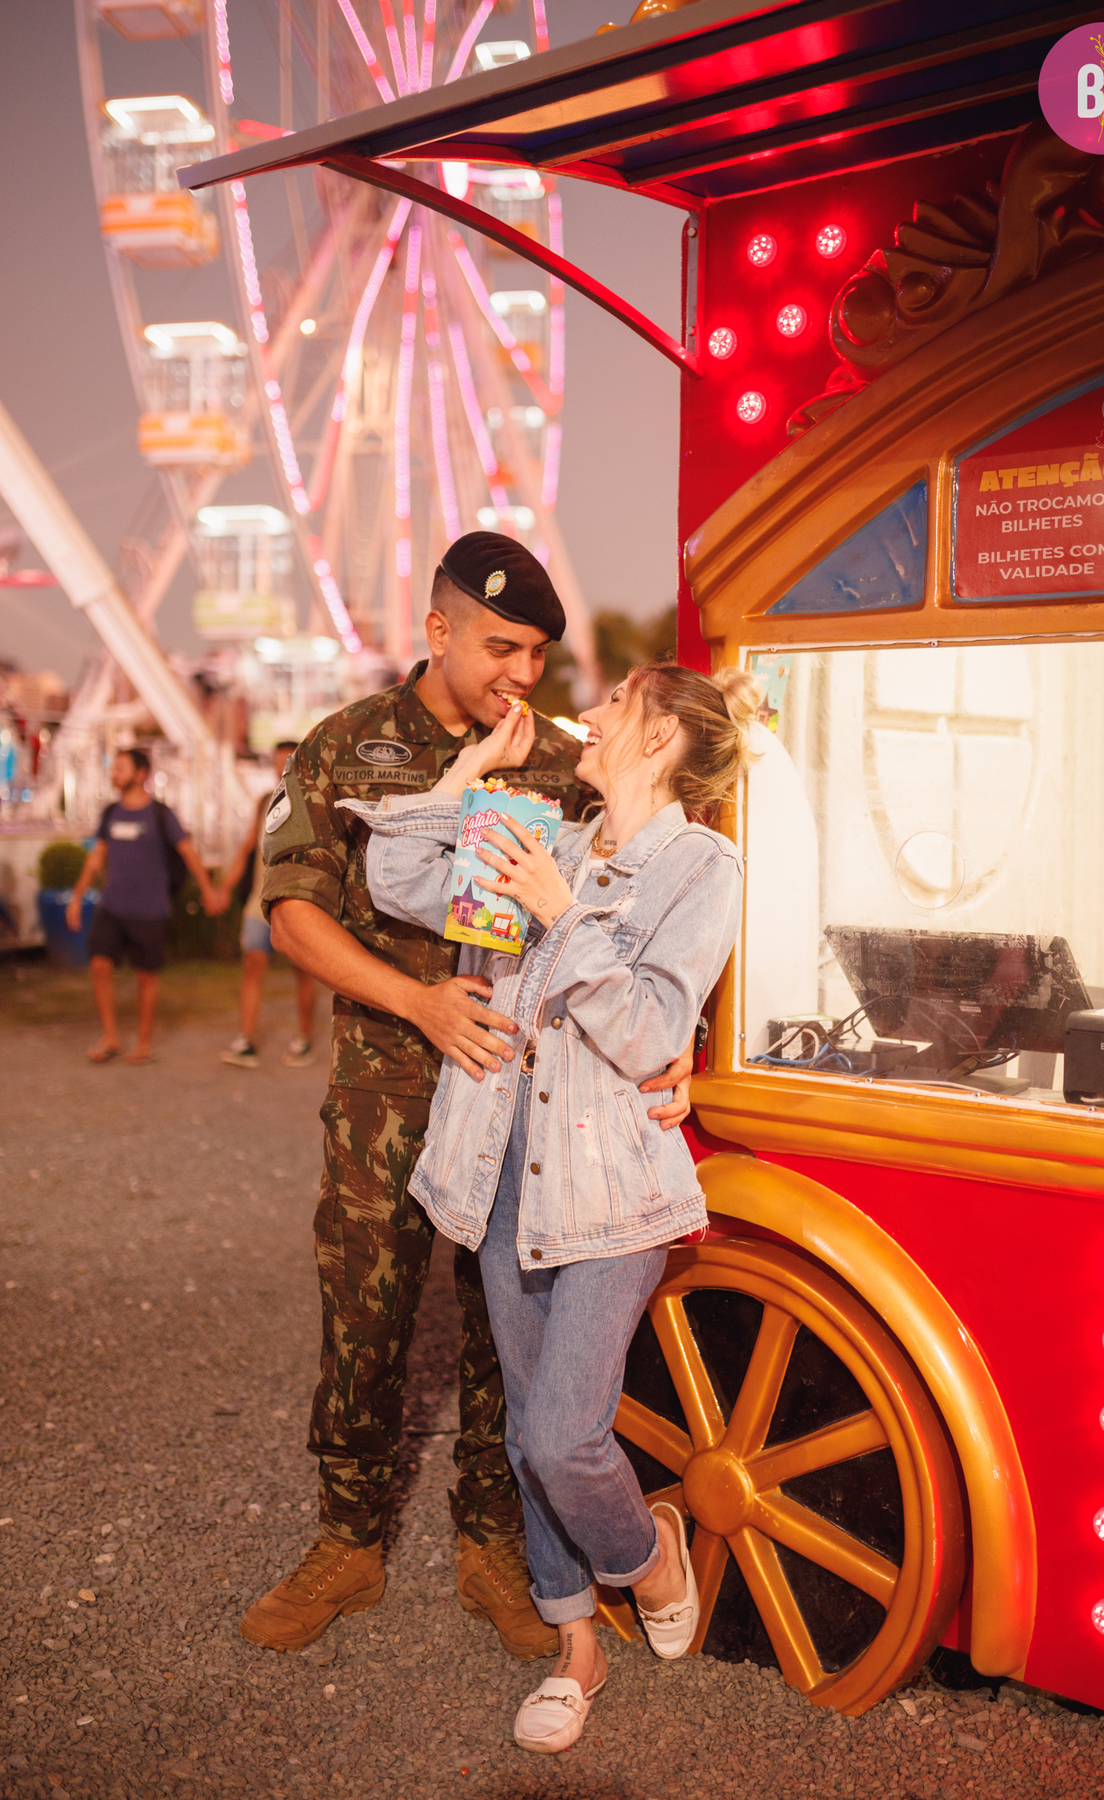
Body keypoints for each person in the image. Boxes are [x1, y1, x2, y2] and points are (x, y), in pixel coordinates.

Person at [239, 532, 693, 1660]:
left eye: (538, 652)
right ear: (438, 630)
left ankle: (493, 1541)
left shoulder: (561, 761)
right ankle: (348, 1542)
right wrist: (418, 1002)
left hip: (521, 1100)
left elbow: (642, 902)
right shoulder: (348, 744)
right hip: (389, 1090)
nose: (522, 675)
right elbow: (292, 914)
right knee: (366, 1313)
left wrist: (677, 1043)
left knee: (508, 1333)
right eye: (501, 647)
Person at [350, 659, 757, 1755]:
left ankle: (649, 1562)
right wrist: (468, 773)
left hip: (612, 1186)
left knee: (563, 1436)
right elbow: (397, 878)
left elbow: (648, 1030)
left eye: (618, 698)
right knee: (528, 1437)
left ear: (660, 737)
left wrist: (560, 914)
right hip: (501, 1176)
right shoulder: (551, 838)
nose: (592, 707)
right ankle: (577, 1649)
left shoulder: (700, 866)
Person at [66, 746, 220, 1065]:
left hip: (150, 909)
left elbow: (188, 852)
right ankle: (110, 1036)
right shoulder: (111, 812)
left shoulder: (160, 814)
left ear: (140, 774)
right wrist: (77, 897)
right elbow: (97, 856)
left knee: (146, 976)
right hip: (112, 905)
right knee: (99, 965)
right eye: (113, 768)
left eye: (120, 768)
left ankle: (144, 1041)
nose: (114, 774)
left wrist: (207, 890)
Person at [215, 741, 318, 1070]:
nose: (279, 769)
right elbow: (248, 847)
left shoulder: (313, 800)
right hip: (259, 902)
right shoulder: (265, 801)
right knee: (252, 966)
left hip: (297, 902)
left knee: (304, 970)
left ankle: (303, 1038)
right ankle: (246, 1040)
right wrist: (224, 889)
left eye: (285, 762)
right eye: (276, 763)